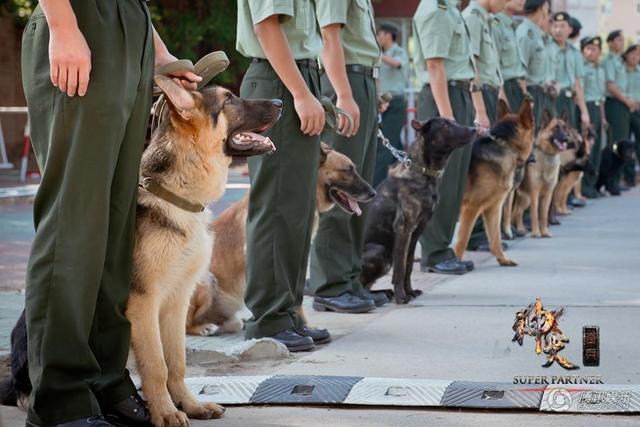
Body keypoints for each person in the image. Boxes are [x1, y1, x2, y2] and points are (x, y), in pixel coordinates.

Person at [21, 1, 201, 426]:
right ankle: (60, 397)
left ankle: (105, 382)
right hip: (81, 19)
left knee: (117, 227)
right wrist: (64, 27)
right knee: (74, 224)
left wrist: (158, 53)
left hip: (128, 29)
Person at [236, 0, 329, 352]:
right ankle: (268, 319)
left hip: (295, 77)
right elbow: (267, 26)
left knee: (296, 211)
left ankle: (287, 312)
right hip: (279, 82)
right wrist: (302, 93)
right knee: (276, 207)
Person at [310, 0, 386, 313]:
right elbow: (330, 37)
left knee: (357, 192)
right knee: (339, 187)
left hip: (361, 80)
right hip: (345, 80)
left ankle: (350, 279)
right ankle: (331, 284)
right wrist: (343, 93)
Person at [413, 0, 489, 275]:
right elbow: (435, 66)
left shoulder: (451, 10)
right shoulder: (436, 10)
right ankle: (434, 252)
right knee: (440, 181)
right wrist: (448, 120)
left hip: (457, 95)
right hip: (442, 101)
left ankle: (442, 248)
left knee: (455, 181)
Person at [374, 22, 409, 187]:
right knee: (395, 145)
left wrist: (376, 54)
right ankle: (403, 178)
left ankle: (378, 185)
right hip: (382, 102)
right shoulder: (380, 55)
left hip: (395, 103)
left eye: (379, 34)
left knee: (386, 145)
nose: (378, 38)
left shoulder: (400, 52)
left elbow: (396, 63)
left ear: (388, 35)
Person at [463, 0, 505, 125]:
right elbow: (471, 66)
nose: (505, 5)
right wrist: (480, 111)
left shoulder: (486, 19)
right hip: (481, 96)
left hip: (490, 93)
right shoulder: (473, 18)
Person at [602, 30, 633, 190]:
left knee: (623, 142)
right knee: (616, 143)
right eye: (619, 40)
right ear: (611, 42)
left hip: (623, 104)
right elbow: (610, 85)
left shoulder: (620, 61)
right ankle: (611, 183)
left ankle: (617, 180)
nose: (622, 43)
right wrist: (626, 100)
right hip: (615, 103)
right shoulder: (609, 61)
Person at [548, 12, 590, 130]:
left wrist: (584, 112)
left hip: (569, 99)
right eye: (555, 26)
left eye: (562, 26)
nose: (558, 30)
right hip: (550, 98)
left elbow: (578, 83)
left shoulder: (575, 52)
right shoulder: (546, 48)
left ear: (570, 29)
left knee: (568, 135)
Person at [580, 36, 607, 199]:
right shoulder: (581, 68)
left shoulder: (601, 69)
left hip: (597, 107)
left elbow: (602, 96)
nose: (591, 52)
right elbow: (580, 92)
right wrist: (586, 115)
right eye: (588, 48)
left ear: (600, 51)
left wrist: (603, 118)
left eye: (594, 49)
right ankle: (583, 187)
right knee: (586, 148)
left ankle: (592, 184)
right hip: (587, 107)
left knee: (596, 148)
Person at [516, 0, 550, 131]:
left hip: (539, 91)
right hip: (530, 91)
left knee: (536, 134)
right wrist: (526, 100)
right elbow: (520, 71)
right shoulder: (525, 33)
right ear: (541, 7)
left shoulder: (536, 33)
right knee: (529, 133)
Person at [492, 0, 528, 113]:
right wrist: (501, 94)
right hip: (505, 88)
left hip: (517, 88)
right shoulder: (495, 24)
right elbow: (493, 64)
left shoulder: (513, 25)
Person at [622, 45, 640, 186]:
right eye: (632, 54)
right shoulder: (621, 70)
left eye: (637, 55)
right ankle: (628, 177)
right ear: (626, 55)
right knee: (625, 142)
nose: (635, 57)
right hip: (623, 108)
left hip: (638, 109)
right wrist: (629, 102)